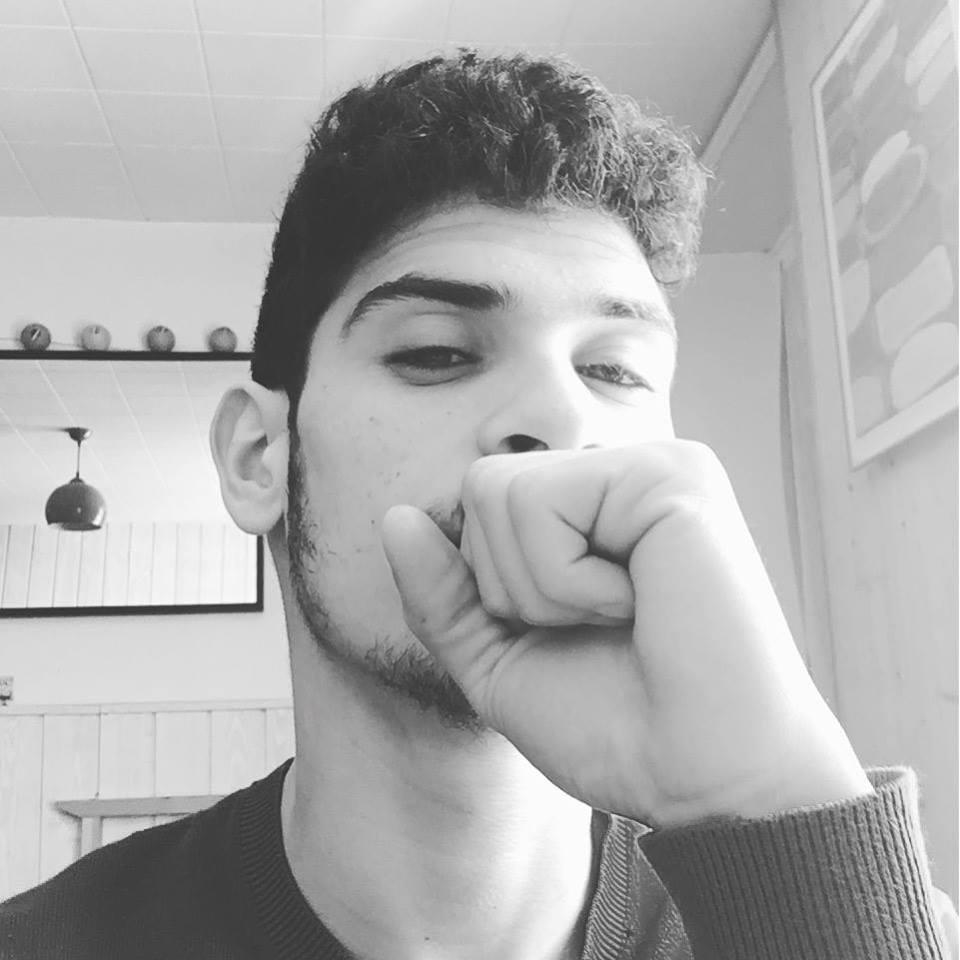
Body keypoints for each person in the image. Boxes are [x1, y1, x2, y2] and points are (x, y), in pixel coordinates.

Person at [1, 49, 956, 960]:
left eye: (615, 370)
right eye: (437, 353)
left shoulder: (844, 914)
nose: (562, 416)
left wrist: (775, 810)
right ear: (259, 457)